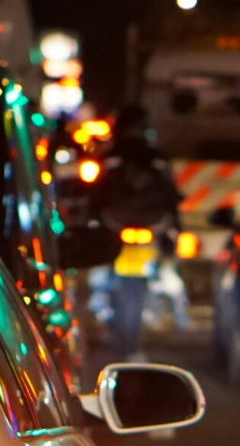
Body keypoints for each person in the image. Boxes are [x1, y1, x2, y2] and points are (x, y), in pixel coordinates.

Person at [88, 104, 182, 362]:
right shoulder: (156, 158)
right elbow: (172, 198)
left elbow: (94, 197)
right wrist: (173, 231)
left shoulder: (111, 157)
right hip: (147, 228)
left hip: (118, 226)